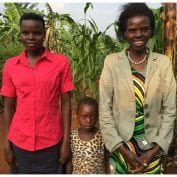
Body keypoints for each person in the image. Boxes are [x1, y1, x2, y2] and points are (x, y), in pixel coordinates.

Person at [99, 3, 176, 174]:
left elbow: (170, 110)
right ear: (124, 33)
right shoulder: (112, 63)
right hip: (120, 147)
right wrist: (124, 151)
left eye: (144, 29)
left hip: (152, 147)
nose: (138, 34)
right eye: (132, 30)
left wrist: (153, 152)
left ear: (151, 31)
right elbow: (104, 110)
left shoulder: (163, 63)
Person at [1, 13, 74, 173]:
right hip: (20, 141)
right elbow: (8, 107)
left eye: (37, 33)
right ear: (20, 34)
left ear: (44, 33)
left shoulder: (61, 63)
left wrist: (66, 142)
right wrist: (6, 143)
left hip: (51, 141)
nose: (31, 37)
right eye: (25, 33)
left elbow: (66, 103)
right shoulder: (11, 66)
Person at [66, 97, 109, 174]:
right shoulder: (72, 136)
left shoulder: (102, 136)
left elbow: (106, 159)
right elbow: (69, 162)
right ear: (77, 115)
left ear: (97, 115)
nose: (88, 121)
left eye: (92, 116)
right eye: (84, 117)